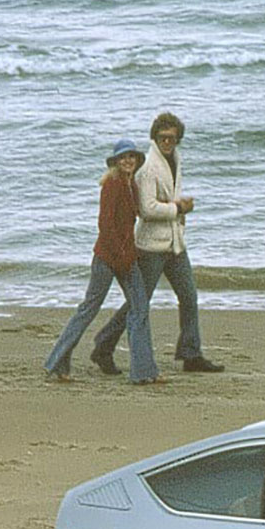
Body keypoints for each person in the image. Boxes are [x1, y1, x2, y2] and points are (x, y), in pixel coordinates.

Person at [90, 111, 224, 374]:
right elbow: (147, 209)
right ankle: (104, 345)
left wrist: (177, 213)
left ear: (178, 139)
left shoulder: (174, 159)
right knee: (139, 303)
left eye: (172, 138)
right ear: (155, 137)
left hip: (174, 244)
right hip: (151, 247)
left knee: (189, 296)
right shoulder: (149, 167)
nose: (167, 142)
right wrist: (178, 208)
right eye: (162, 137)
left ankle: (190, 354)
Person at [44, 140, 163, 386]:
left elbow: (139, 215)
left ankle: (143, 371)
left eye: (131, 157)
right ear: (116, 162)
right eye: (123, 158)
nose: (128, 161)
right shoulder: (111, 184)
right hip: (107, 258)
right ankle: (57, 362)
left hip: (126, 258)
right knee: (89, 309)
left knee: (140, 308)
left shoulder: (132, 185)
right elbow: (105, 225)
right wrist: (121, 257)